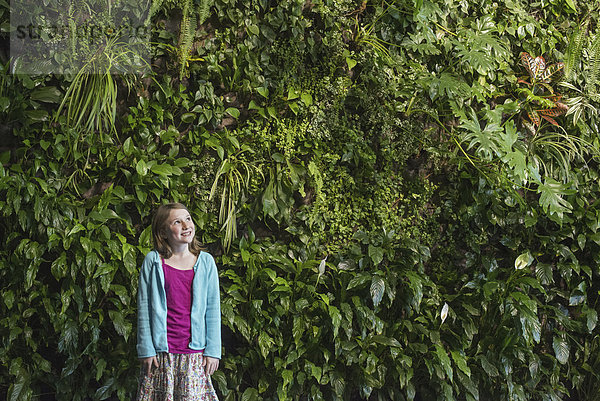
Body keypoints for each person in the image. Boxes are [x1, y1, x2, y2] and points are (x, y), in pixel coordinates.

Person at [135, 202, 221, 401]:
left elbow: (213, 310)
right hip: (160, 355)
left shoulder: (206, 262)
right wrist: (146, 349)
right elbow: (144, 308)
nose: (185, 225)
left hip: (195, 356)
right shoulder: (153, 261)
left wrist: (213, 351)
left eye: (188, 219)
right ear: (163, 232)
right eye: (177, 221)